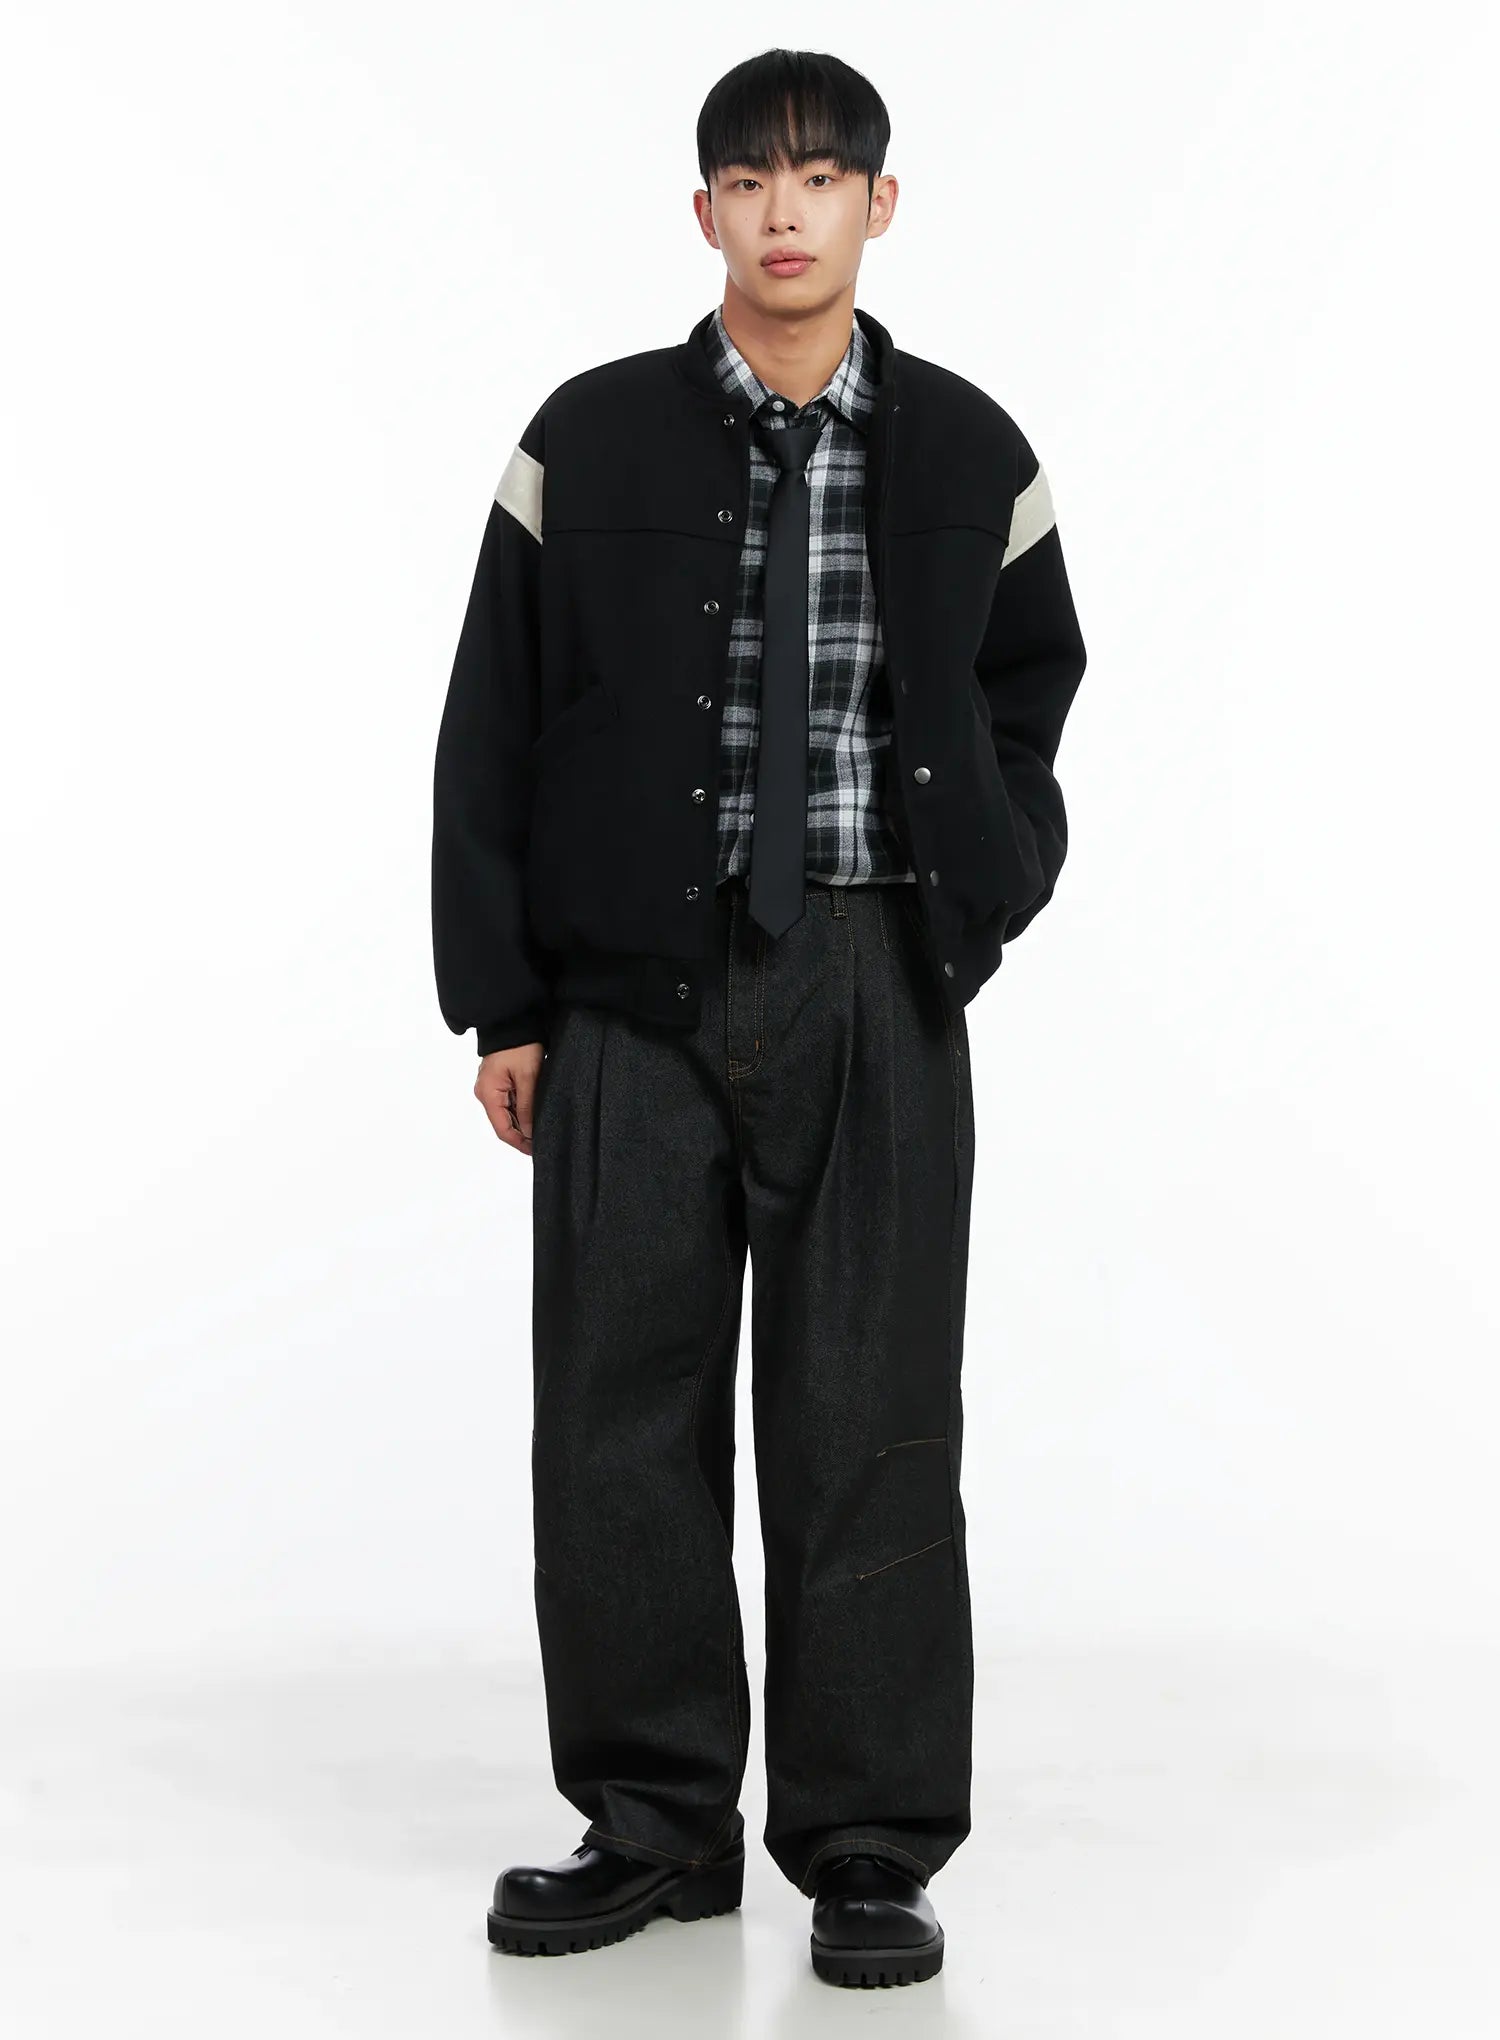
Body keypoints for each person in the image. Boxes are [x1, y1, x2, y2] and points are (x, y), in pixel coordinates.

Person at [432, 46, 1087, 1989]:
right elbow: (490, 722)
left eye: (818, 178)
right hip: (626, 993)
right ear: (703, 210)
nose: (783, 211)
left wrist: (983, 893)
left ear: (880, 206)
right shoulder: (588, 439)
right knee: (615, 1414)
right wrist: (502, 999)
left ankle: (868, 1843)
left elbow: (1034, 697)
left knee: (869, 1416)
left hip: (877, 974)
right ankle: (652, 1823)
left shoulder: (969, 451)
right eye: (746, 178)